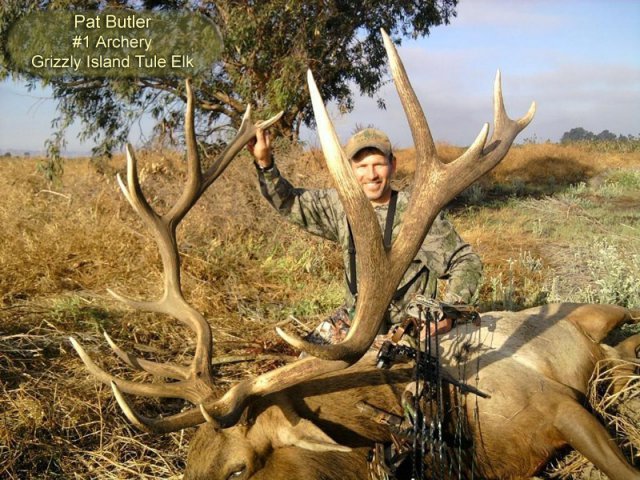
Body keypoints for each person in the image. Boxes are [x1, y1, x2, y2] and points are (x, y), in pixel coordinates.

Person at [248, 127, 482, 344]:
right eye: (361, 166)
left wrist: (448, 311)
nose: (371, 174)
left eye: (378, 164)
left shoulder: (416, 211)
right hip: (356, 318)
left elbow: (465, 261)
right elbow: (289, 202)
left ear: (393, 165)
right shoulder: (340, 205)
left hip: (405, 328)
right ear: (349, 169)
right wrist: (265, 163)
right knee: (307, 364)